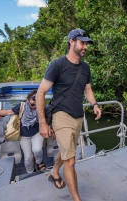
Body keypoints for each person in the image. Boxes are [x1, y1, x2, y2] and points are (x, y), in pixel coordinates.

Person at [36, 28, 101, 201]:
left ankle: (54, 171)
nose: (85, 46)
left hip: (78, 116)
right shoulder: (57, 65)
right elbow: (40, 92)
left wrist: (94, 104)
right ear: (71, 42)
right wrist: (43, 123)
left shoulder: (86, 68)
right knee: (71, 161)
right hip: (61, 116)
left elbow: (87, 89)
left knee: (67, 152)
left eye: (87, 43)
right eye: (82, 43)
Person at [0, 89, 46, 173]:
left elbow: (48, 119)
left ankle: (39, 162)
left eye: (37, 105)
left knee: (37, 149)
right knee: (28, 156)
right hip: (24, 135)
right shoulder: (22, 106)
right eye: (32, 104)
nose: (34, 107)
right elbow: (8, 112)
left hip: (36, 132)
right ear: (28, 100)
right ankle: (30, 172)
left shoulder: (42, 108)